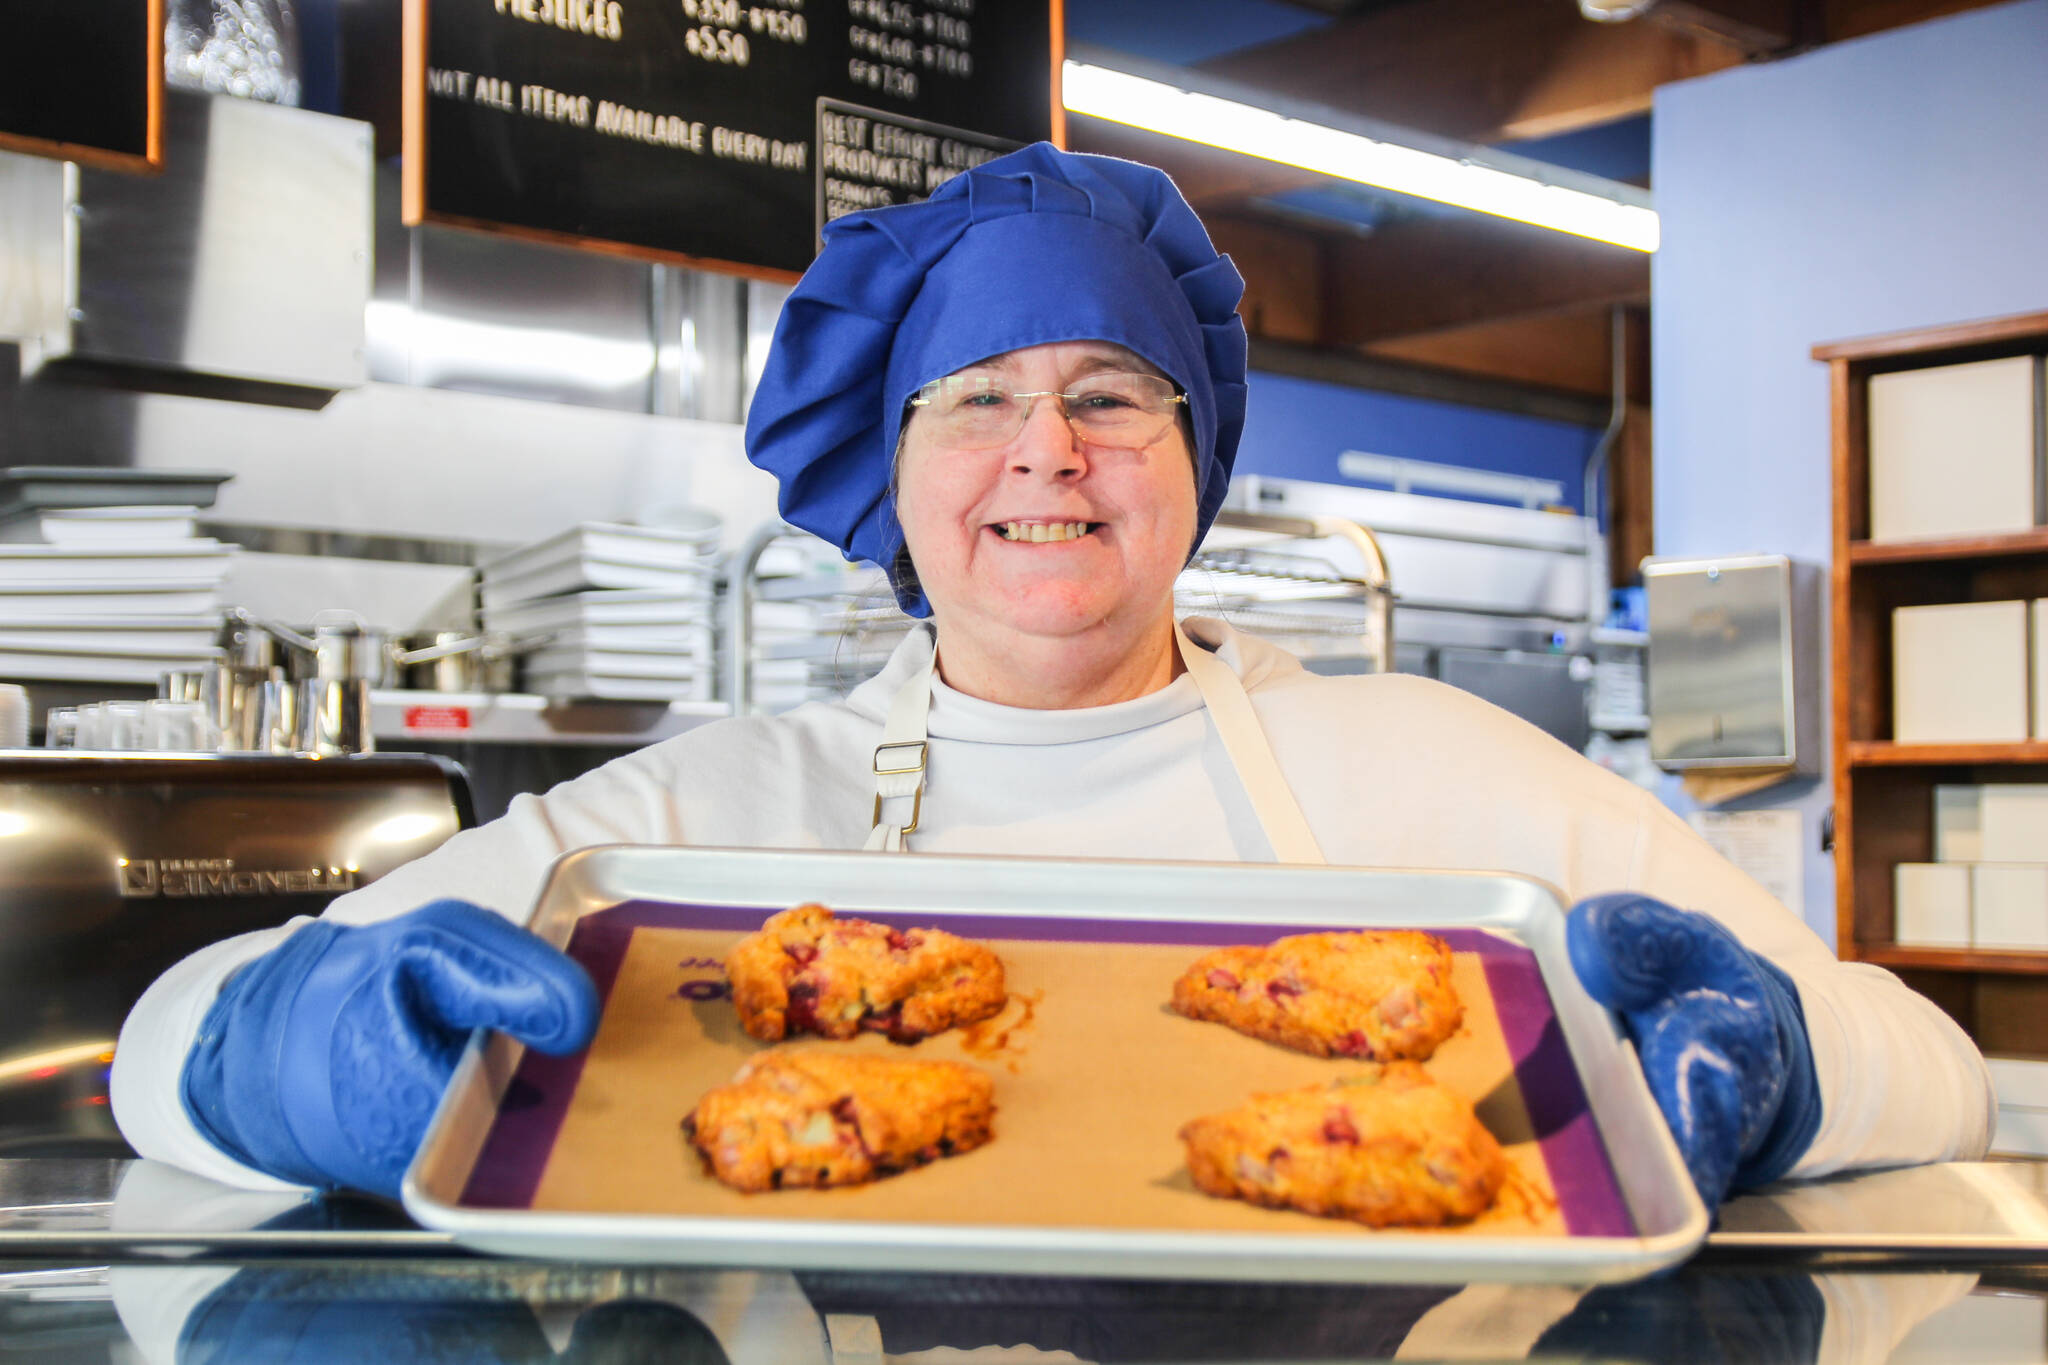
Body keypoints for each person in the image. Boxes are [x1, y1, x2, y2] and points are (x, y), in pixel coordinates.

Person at [112, 143, 1991, 1214]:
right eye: (979, 404)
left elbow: (1942, 1068)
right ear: (892, 467)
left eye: (1110, 398)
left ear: (1194, 461)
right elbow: (153, 1044)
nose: (1048, 456)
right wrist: (303, 1056)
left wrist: (1777, 1070)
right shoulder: (708, 819)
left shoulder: (1442, 778)